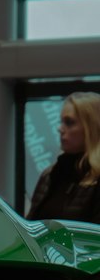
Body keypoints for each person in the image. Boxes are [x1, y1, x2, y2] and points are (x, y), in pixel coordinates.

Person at [27, 92, 100, 225]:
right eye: (61, 121)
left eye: (69, 122)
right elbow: (31, 227)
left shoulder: (96, 177)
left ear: (91, 127)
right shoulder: (50, 175)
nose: (60, 129)